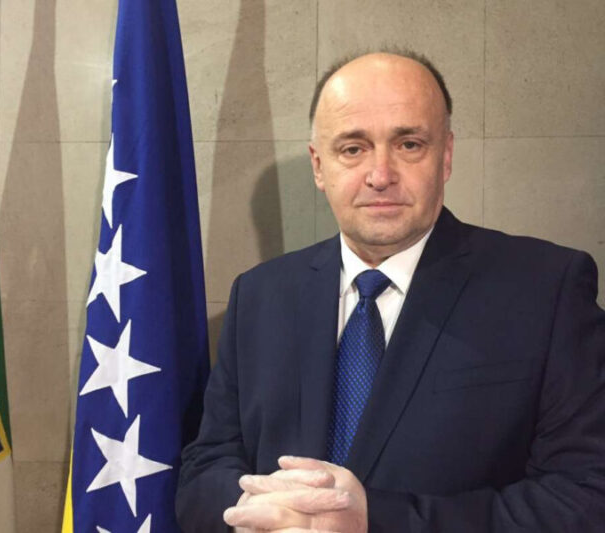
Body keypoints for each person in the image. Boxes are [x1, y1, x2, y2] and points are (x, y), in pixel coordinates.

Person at [175, 51, 605, 532]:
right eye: (352, 149)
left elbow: (586, 495)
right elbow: (204, 471)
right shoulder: (259, 295)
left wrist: (376, 520)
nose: (380, 175)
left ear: (445, 156)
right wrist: (264, 512)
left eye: (409, 144)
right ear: (319, 166)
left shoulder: (545, 288)